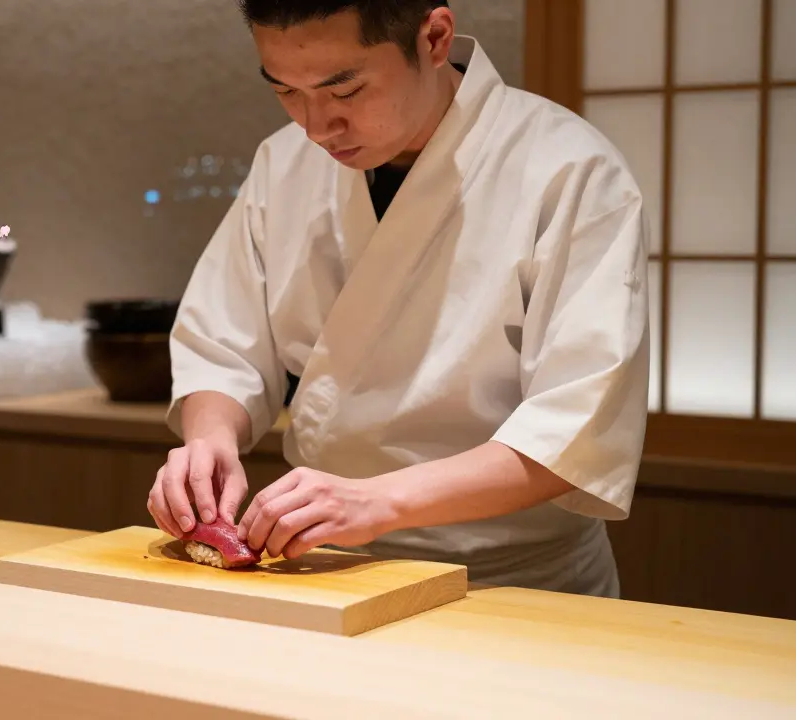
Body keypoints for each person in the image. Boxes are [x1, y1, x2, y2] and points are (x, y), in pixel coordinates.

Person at [146, 0, 650, 597]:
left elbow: (572, 428)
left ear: (434, 38)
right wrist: (210, 440)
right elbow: (221, 343)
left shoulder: (569, 169)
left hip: (510, 579)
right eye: (286, 91)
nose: (316, 125)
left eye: (346, 90)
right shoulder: (283, 163)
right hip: (321, 566)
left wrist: (377, 500)